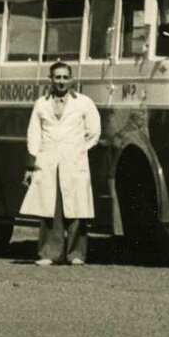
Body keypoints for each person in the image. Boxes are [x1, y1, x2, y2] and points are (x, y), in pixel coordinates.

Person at [22, 61, 101, 267]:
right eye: (57, 77)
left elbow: (94, 131)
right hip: (48, 162)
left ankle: (76, 254)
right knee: (50, 208)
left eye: (65, 77)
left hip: (74, 161)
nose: (62, 82)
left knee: (76, 207)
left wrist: (81, 149)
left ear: (71, 80)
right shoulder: (41, 104)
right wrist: (31, 166)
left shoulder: (83, 103)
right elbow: (34, 135)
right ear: (51, 79)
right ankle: (49, 253)